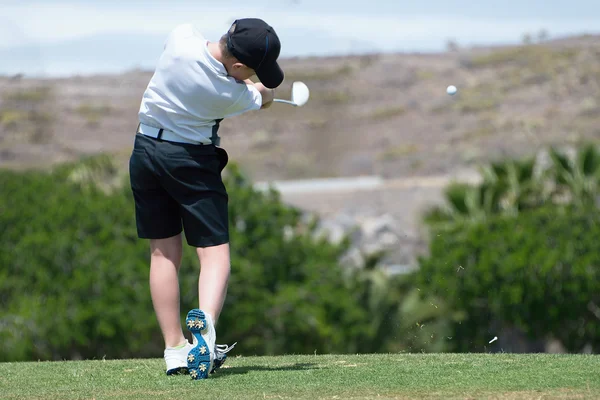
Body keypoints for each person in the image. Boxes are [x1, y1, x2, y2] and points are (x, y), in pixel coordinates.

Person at [128, 18, 284, 380]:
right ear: (241, 67)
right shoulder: (230, 94)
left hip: (145, 151)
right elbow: (261, 97)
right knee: (214, 252)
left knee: (163, 252)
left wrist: (240, 74)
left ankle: (174, 350)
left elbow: (212, 57)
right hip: (190, 162)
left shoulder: (181, 38)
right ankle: (207, 329)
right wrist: (264, 91)